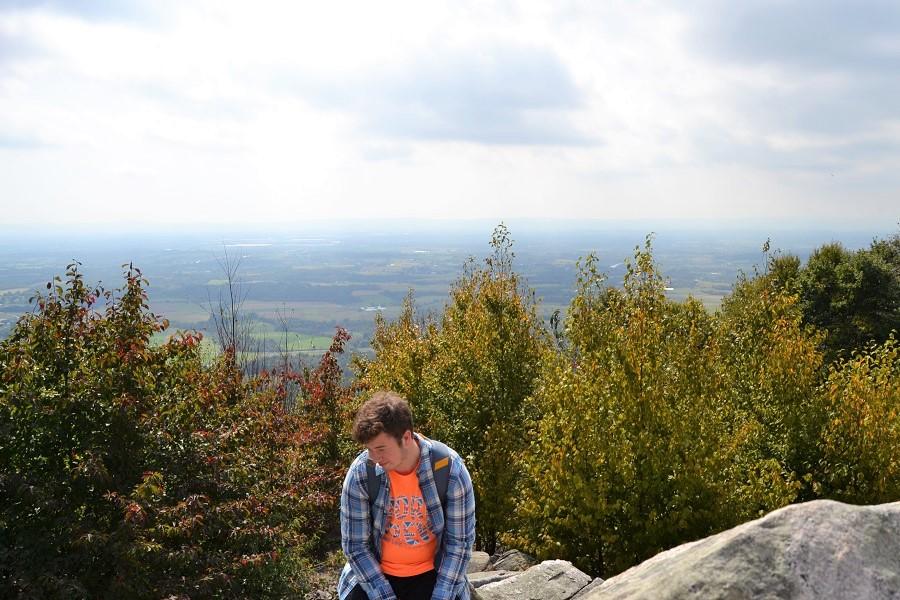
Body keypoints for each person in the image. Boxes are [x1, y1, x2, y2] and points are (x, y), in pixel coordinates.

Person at [337, 391, 476, 600]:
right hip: (375, 576)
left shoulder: (449, 469)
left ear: (406, 437)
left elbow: (459, 544)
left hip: (433, 574)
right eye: (370, 450)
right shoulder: (361, 473)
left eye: (381, 449)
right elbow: (356, 547)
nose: (375, 458)